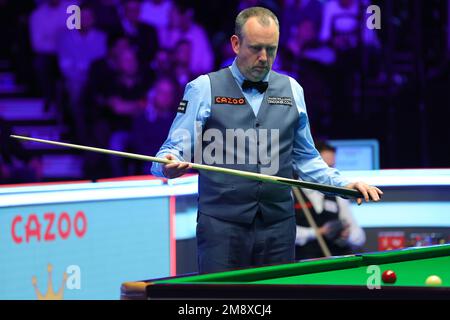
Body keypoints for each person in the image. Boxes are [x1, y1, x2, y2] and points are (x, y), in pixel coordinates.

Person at [151, 7, 382, 274]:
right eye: (256, 48)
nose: (264, 58)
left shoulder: (293, 90)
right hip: (222, 229)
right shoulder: (203, 88)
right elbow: (171, 150)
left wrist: (344, 184)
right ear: (236, 44)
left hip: (278, 228)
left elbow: (306, 159)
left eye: (271, 49)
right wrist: (168, 164)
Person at [295, 141, 366, 260]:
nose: (328, 174)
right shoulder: (291, 191)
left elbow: (359, 236)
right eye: (323, 168)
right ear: (309, 165)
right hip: (302, 265)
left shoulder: (338, 194)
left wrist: (346, 236)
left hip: (333, 264)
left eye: (331, 168)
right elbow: (284, 234)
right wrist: (318, 232)